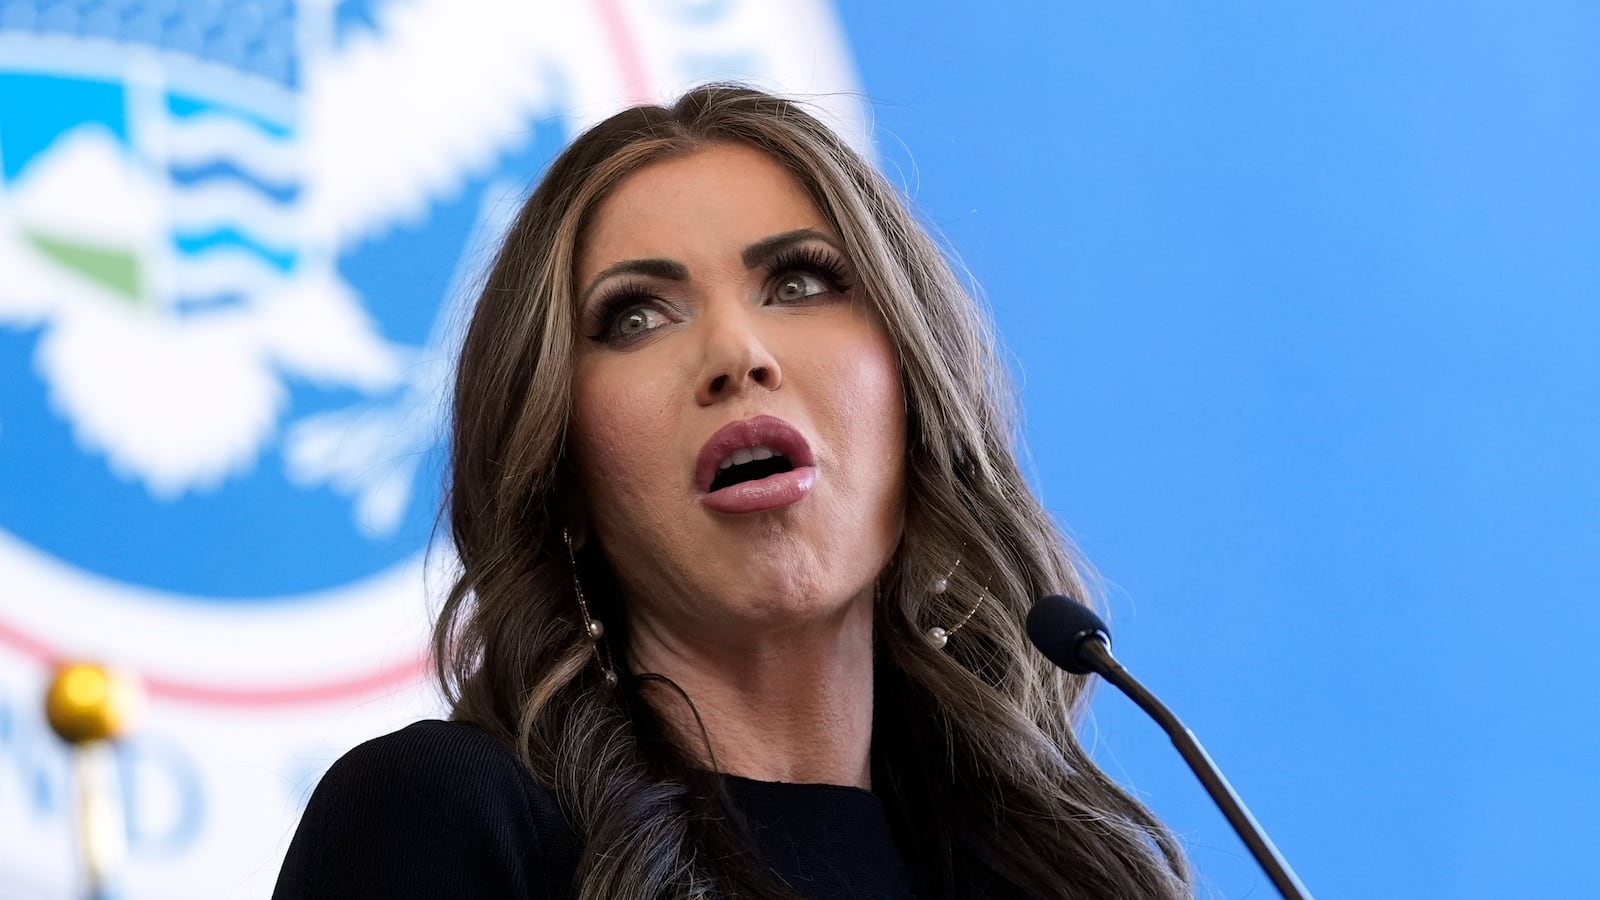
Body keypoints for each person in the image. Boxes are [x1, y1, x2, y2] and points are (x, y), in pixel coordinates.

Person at [273, 84, 1191, 900]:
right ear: (561, 470)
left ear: (915, 396)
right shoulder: (443, 817)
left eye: (798, 282)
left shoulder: (1064, 868)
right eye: (635, 316)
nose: (736, 354)